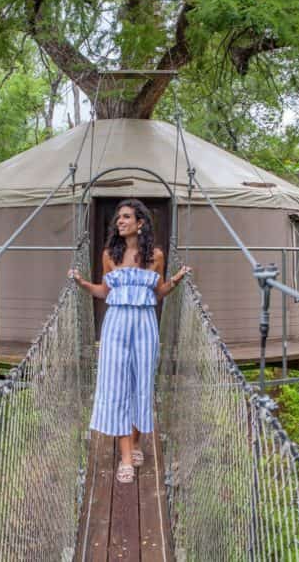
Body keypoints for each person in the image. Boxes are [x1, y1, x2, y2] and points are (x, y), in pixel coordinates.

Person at [68, 199, 190, 484]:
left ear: (141, 223)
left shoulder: (156, 256)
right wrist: (83, 284)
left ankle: (135, 443)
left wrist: (175, 280)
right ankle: (125, 456)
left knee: (142, 383)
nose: (120, 222)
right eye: (118, 218)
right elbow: (103, 290)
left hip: (146, 324)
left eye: (126, 217)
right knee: (118, 384)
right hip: (116, 325)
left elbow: (157, 293)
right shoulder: (109, 254)